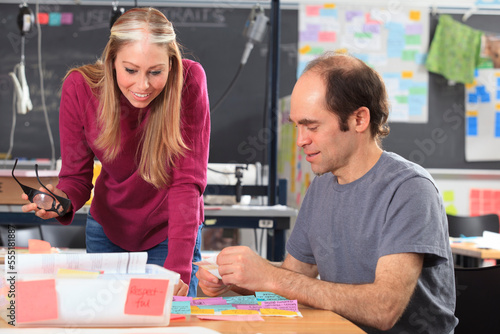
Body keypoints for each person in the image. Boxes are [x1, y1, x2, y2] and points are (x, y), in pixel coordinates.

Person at [197, 52, 458, 332]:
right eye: (297, 126)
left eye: (312, 126)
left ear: (359, 119)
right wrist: (237, 280)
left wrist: (270, 277)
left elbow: (383, 308)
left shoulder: (409, 189)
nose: (300, 140)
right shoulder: (321, 186)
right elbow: (292, 284)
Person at [21, 7, 210, 297]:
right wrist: (58, 200)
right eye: (131, 70)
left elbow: (187, 185)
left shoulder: (189, 82)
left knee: (168, 324)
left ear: (171, 64)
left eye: (155, 72)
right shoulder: (82, 88)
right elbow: (76, 178)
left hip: (171, 235)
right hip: (108, 233)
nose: (142, 85)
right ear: (111, 60)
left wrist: (178, 272)